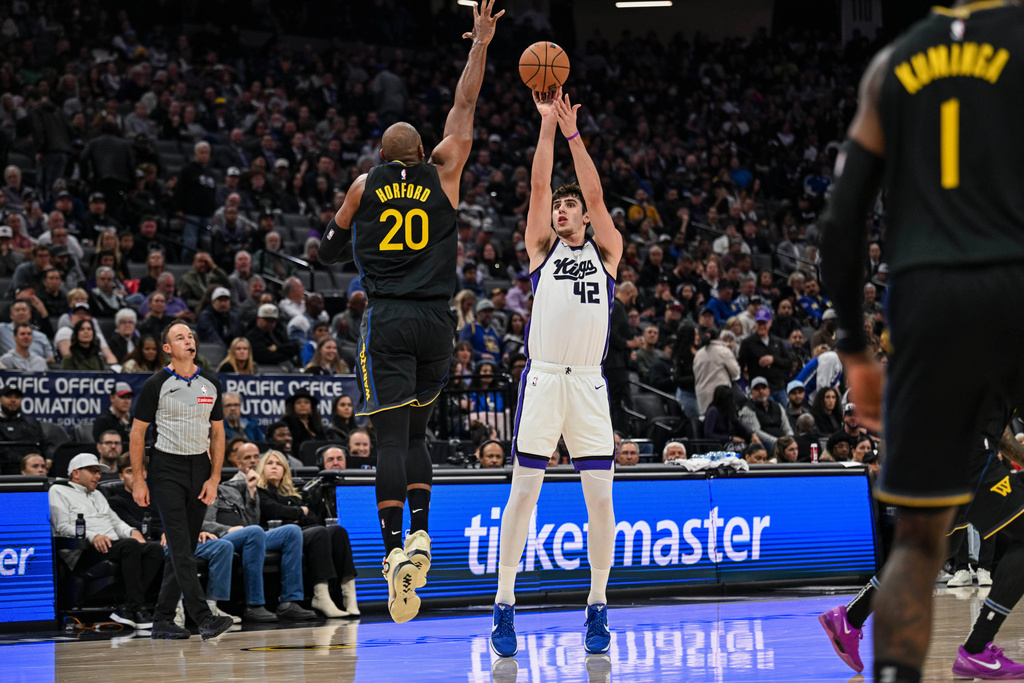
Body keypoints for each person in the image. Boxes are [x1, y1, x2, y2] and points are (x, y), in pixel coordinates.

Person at [815, 5, 1024, 679]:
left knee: (921, 536)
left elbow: (842, 221)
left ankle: (888, 653)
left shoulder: (891, 65)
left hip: (926, 302)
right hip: (1006, 282)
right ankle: (973, 647)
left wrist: (854, 349)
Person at [316, 0, 503, 625]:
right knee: (419, 434)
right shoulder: (444, 170)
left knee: (388, 438)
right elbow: (465, 106)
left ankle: (395, 548)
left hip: (389, 319)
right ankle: (422, 534)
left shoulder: (364, 186)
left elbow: (330, 246)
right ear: (424, 151)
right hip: (438, 323)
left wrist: (341, 237)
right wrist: (478, 43)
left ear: (379, 153)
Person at [491, 86, 622, 660]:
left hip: (589, 383)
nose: (561, 209)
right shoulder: (541, 248)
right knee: (524, 496)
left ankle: (596, 605)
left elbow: (591, 189)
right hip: (544, 379)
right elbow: (540, 185)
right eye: (558, 207)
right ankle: (503, 605)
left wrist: (573, 133)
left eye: (571, 207)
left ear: (587, 217)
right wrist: (545, 127)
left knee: (602, 503)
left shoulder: (608, 251)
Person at [819, 410, 1024, 679]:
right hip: (967, 458)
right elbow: (997, 426)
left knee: (937, 551)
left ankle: (850, 617)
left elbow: (994, 422)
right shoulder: (1000, 370)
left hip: (938, 453)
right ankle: (976, 648)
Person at [128, 322, 234, 640]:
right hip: (166, 468)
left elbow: (218, 433)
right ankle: (202, 617)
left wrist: (215, 477)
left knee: (183, 547)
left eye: (190, 336)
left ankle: (162, 618)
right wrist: (138, 480)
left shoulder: (211, 383)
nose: (188, 340)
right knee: (180, 544)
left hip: (199, 469)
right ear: (167, 349)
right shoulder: (156, 384)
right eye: (180, 337)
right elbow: (137, 433)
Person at [49, 453, 163, 629]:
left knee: (154, 549)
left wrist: (133, 532)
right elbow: (61, 527)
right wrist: (92, 535)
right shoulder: (58, 491)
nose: (98, 476)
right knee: (130, 546)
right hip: (84, 551)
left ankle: (127, 607)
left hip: (113, 546)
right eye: (92, 471)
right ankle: (138, 608)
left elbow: (117, 523)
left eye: (98, 472)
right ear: (75, 473)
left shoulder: (98, 495)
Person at [202, 453, 317, 622]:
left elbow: (251, 521)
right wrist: (227, 529)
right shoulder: (198, 487)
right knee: (254, 532)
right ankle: (254, 605)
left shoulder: (230, 489)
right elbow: (199, 524)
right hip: (220, 538)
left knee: (292, 531)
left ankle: (290, 602)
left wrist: (251, 491)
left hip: (247, 534)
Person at [255, 451, 354, 617]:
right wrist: (299, 512)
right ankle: (320, 596)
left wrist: (293, 514)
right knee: (319, 532)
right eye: (269, 463)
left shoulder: (293, 495)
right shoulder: (259, 492)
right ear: (261, 468)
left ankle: (349, 595)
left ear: (285, 470)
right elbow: (273, 510)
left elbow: (312, 517)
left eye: (279, 464)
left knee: (338, 531)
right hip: (276, 537)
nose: (274, 467)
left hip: (301, 533)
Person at [693, 329, 741, 416]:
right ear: (718, 338)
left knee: (706, 423)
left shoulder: (698, 354)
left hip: (702, 395)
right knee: (721, 424)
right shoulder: (724, 351)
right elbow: (736, 372)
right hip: (721, 396)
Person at [282, 387, 326, 453]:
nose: (303, 405)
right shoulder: (287, 423)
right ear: (293, 406)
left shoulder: (316, 425)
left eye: (306, 402)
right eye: (298, 402)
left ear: (311, 406)